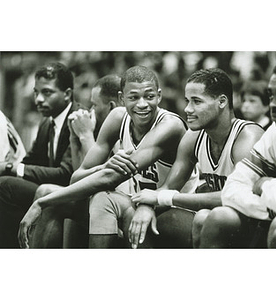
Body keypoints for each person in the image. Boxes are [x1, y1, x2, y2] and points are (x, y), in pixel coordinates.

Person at [18, 65, 198, 249]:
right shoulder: (118, 117)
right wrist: (103, 167)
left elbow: (111, 178)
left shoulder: (170, 126)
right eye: (134, 97)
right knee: (56, 198)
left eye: (149, 97)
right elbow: (77, 177)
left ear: (159, 96)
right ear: (121, 98)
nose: (142, 104)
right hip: (133, 202)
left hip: (171, 209)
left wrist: (41, 202)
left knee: (101, 200)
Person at [131, 68, 264, 248]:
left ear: (222, 101)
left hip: (256, 225)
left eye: (196, 101)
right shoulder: (193, 137)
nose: (187, 109)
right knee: (146, 220)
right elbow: (169, 187)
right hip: (216, 220)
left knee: (206, 217)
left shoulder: (247, 136)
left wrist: (163, 197)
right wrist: (146, 207)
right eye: (187, 101)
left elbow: (239, 196)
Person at [200, 56, 276, 248]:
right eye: (271, 96)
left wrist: (266, 186)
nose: (273, 104)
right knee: (219, 217)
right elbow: (232, 188)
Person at [31, 74, 122, 248]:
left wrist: (86, 134)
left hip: (116, 209)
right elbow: (78, 177)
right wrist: (75, 138)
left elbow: (96, 182)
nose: (90, 110)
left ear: (111, 106)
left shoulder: (123, 129)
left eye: (94, 104)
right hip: (103, 202)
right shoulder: (105, 131)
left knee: (48, 193)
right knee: (65, 199)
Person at [0, 62, 83, 248]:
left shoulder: (78, 119)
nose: (38, 99)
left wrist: (10, 167)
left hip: (73, 192)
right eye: (36, 92)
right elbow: (31, 160)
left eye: (47, 92)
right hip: (50, 188)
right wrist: (8, 168)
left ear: (67, 94)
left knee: (5, 186)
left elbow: (67, 173)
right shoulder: (47, 122)